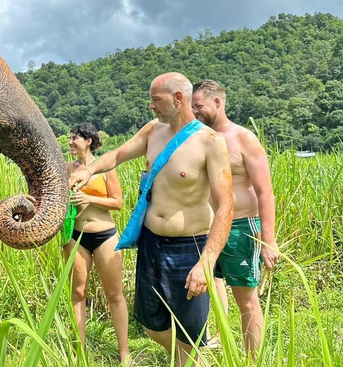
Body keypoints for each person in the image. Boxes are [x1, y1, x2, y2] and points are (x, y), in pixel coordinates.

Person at [69, 73, 234, 364]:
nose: (151, 106)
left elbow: (225, 206)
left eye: (156, 100)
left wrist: (206, 261)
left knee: (190, 331)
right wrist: (88, 171)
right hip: (151, 242)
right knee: (151, 324)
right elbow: (118, 154)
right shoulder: (152, 131)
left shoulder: (210, 142)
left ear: (178, 98)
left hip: (189, 247)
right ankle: (191, 359)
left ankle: (191, 359)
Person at [192, 80, 279, 356]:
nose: (194, 111)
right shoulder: (197, 138)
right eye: (191, 106)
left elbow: (265, 192)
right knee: (210, 290)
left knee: (246, 299)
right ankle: (221, 340)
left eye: (199, 106)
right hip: (206, 227)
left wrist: (269, 241)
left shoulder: (243, 139)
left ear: (217, 102)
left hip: (241, 227)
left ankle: (254, 359)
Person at [63, 123, 130, 363]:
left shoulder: (105, 168)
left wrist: (88, 198)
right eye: (70, 138)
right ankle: (79, 352)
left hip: (104, 236)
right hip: (76, 237)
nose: (70, 142)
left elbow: (118, 202)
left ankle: (124, 353)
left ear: (89, 141)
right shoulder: (67, 168)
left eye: (75, 138)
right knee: (78, 292)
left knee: (114, 294)